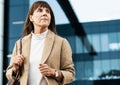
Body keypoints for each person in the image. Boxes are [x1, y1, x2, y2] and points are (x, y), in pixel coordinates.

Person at [6, 1, 75, 85]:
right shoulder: (20, 43)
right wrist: (15, 68)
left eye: (47, 11)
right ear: (31, 18)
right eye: (40, 10)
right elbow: (9, 73)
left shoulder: (61, 42)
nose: (44, 13)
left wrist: (54, 72)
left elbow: (70, 74)